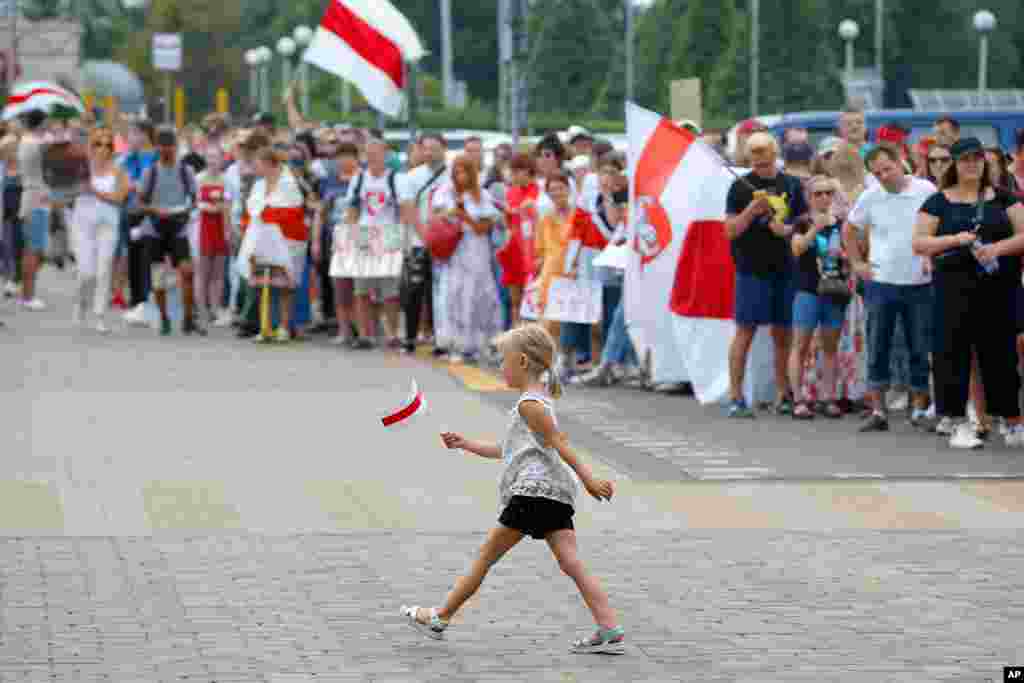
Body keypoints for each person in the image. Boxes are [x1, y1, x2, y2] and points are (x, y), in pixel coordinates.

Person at [402, 324, 622, 654]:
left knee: (486, 556)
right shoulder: (535, 401)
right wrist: (466, 444)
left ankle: (440, 615)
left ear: (521, 361)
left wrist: (589, 479)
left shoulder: (529, 405)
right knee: (571, 562)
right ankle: (608, 626)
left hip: (532, 493)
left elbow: (559, 443)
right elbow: (508, 449)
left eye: (502, 360)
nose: (499, 367)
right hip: (553, 495)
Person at [912, 136, 1024, 448]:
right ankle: (958, 423)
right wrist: (955, 240)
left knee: (1001, 356)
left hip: (998, 289)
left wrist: (997, 248)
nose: (972, 164)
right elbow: (919, 242)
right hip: (952, 289)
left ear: (985, 162)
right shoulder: (938, 201)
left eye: (977, 158)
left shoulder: (1004, 198)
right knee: (952, 355)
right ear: (955, 164)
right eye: (964, 159)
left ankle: (1011, 422)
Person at [843, 144, 935, 432]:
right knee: (877, 345)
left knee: (919, 347)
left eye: (887, 168)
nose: (884, 176)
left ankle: (920, 408)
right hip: (881, 282)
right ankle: (879, 411)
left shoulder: (925, 190)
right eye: (877, 172)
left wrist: (931, 257)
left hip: (919, 282)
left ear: (900, 162)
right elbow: (849, 229)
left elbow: (938, 226)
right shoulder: (871, 196)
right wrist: (857, 263)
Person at [724, 132, 808, 418]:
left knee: (783, 333)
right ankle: (736, 396)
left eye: (763, 151)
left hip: (785, 267)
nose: (759, 158)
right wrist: (751, 210)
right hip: (750, 268)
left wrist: (787, 230)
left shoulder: (792, 185)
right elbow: (729, 230)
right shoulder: (739, 187)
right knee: (745, 331)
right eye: (753, 152)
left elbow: (803, 222)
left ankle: (784, 393)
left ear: (774, 153)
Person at [429, 155, 502, 363]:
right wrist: (448, 213)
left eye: (465, 171)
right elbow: (436, 217)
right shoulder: (445, 192)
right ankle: (454, 343)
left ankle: (478, 344)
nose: (461, 176)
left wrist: (464, 215)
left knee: (477, 296)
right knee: (453, 295)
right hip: (453, 251)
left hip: (476, 250)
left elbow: (483, 228)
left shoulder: (483, 196)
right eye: (457, 172)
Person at [789, 176, 849, 419]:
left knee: (830, 346)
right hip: (808, 290)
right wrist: (816, 227)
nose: (824, 198)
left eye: (828, 193)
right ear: (809, 197)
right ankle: (798, 399)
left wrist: (846, 257)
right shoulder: (802, 222)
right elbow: (797, 248)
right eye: (818, 194)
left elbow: (853, 250)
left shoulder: (842, 223)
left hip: (834, 289)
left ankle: (828, 397)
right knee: (800, 345)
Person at [335, 137, 402, 349]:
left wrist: (401, 238)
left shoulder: (394, 178)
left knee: (390, 292)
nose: (373, 157)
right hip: (364, 233)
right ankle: (365, 335)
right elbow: (353, 208)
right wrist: (349, 237)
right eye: (369, 153)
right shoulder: (360, 178)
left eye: (377, 153)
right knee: (362, 290)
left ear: (385, 154)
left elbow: (401, 209)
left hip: (388, 233)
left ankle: (392, 334)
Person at [237, 145, 308, 343]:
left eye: (257, 163)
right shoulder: (258, 184)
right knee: (261, 282)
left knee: (285, 284)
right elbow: (251, 209)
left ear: (268, 164)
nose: (254, 167)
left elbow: (293, 212)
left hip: (286, 238)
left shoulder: (289, 183)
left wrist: (266, 213)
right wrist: (257, 217)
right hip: (261, 237)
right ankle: (265, 326)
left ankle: (284, 327)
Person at [138, 127, 203, 336]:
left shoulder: (186, 171)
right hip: (155, 227)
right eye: (163, 146)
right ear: (157, 148)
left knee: (187, 271)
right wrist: (155, 210)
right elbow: (140, 202)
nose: (167, 150)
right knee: (158, 277)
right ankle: (164, 317)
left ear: (175, 147)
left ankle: (187, 318)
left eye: (170, 146)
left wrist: (187, 209)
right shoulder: (151, 172)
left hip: (178, 226)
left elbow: (194, 199)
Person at [71, 126, 130, 334]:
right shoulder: (81, 168)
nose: (103, 148)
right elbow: (68, 192)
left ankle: (99, 315)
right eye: (98, 144)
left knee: (104, 269)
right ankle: (80, 303)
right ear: (91, 146)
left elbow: (120, 198)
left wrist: (95, 191)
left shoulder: (118, 170)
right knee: (86, 271)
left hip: (108, 225)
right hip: (83, 224)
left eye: (108, 145)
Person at [398, 132, 449, 354]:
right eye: (426, 148)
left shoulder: (452, 176)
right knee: (414, 290)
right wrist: (425, 235)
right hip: (419, 241)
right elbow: (408, 209)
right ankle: (410, 336)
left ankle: (442, 339)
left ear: (443, 148)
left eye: (434, 148)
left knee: (441, 293)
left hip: (447, 243)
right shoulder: (411, 177)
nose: (430, 153)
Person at [313, 141, 359, 345]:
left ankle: (362, 329)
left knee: (361, 288)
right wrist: (315, 240)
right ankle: (343, 330)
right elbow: (320, 213)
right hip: (335, 238)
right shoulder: (329, 182)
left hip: (359, 237)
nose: (343, 161)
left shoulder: (363, 179)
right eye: (339, 157)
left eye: (348, 156)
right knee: (339, 287)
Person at [15, 109, 58, 311]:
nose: (49, 125)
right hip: (35, 199)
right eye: (47, 122)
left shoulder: (27, 141)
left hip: (33, 197)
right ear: (40, 123)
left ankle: (26, 293)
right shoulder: (35, 143)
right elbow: (54, 147)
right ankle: (28, 296)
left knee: (33, 250)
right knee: (33, 250)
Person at [195, 146, 230, 325]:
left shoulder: (226, 179)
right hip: (204, 227)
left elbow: (229, 203)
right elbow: (194, 202)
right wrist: (204, 207)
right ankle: (201, 308)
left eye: (216, 157)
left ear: (222, 159)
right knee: (203, 270)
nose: (213, 161)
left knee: (218, 271)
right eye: (210, 157)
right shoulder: (199, 179)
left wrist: (228, 230)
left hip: (220, 226)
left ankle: (215, 308)